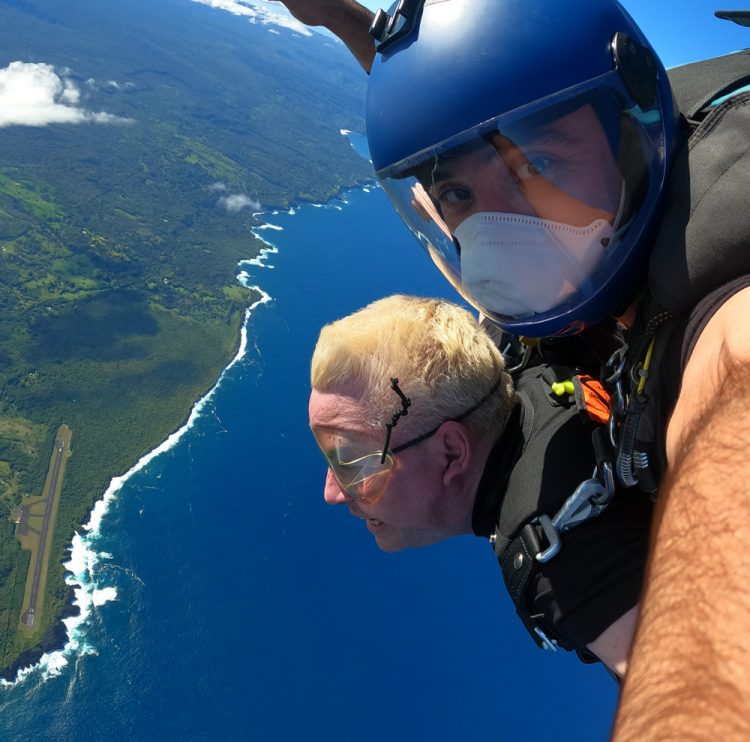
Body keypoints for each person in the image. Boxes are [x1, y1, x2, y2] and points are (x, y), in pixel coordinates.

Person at [280, 0, 750, 736]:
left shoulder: (719, 298)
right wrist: (362, 33)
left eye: (538, 165)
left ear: (629, 134)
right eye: (459, 196)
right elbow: (478, 125)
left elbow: (737, 378)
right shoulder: (573, 268)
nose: (498, 237)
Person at [310, 294, 652, 678]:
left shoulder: (570, 566)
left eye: (353, 463)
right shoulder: (503, 353)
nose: (332, 493)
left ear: (452, 455)